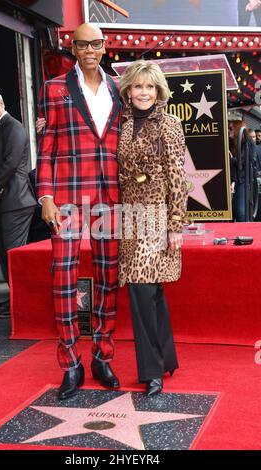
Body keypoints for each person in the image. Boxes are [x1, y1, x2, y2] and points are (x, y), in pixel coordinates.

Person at [36, 23, 122, 400]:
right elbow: (47, 145)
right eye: (82, 44)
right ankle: (70, 363)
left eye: (96, 43)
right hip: (66, 194)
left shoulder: (120, 86)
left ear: (104, 47)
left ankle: (103, 356)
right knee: (63, 278)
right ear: (73, 47)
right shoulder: (54, 87)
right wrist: (46, 196)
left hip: (111, 194)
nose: (89, 49)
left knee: (108, 276)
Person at [118, 60, 188, 397]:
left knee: (142, 290)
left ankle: (151, 370)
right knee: (151, 291)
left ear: (159, 90)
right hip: (129, 217)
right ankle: (167, 358)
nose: (143, 92)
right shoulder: (122, 123)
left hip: (157, 217)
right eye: (137, 86)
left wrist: (176, 224)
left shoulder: (170, 123)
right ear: (128, 90)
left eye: (150, 87)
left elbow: (177, 176)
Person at [0, 89, 36, 318]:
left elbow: (10, 163)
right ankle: (15, 297)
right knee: (5, 255)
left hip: (15, 202)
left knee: (14, 255)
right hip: (0, 204)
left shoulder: (13, 126)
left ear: (1, 103)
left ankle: (22, 303)